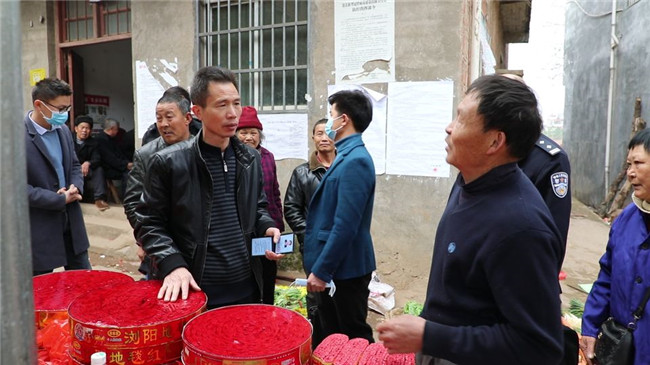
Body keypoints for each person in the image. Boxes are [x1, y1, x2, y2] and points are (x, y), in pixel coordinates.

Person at [377, 75, 563, 365]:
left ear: (495, 141)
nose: (449, 128)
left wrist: (431, 336)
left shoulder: (520, 226)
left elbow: (539, 347)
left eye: (461, 119)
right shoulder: (468, 182)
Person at [135, 66, 282, 309]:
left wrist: (266, 227)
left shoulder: (250, 159)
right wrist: (173, 265)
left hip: (247, 285)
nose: (233, 113)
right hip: (196, 287)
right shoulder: (169, 162)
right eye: (222, 105)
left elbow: (258, 206)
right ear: (198, 111)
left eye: (236, 103)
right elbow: (148, 221)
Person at [303, 90, 377, 347]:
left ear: (344, 120)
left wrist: (322, 271)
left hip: (346, 269)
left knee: (353, 335)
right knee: (332, 334)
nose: (328, 122)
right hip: (337, 267)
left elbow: (345, 225)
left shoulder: (356, 160)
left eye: (331, 115)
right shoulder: (344, 154)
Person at [580, 128, 650, 365]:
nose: (630, 173)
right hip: (625, 350)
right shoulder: (627, 218)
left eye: (638, 163)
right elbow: (607, 275)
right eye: (628, 164)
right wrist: (589, 327)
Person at [25, 78, 91, 276]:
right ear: (39, 105)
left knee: (84, 284)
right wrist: (58, 199)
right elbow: (16, 189)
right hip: (40, 227)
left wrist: (75, 187)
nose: (64, 114)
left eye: (67, 108)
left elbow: (74, 165)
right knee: (42, 292)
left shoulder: (62, 131)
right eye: (60, 109)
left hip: (71, 221)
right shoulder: (15, 138)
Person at [123, 89, 193, 276]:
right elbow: (132, 202)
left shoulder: (201, 150)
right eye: (159, 118)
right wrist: (148, 240)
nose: (164, 124)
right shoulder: (146, 154)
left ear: (187, 118)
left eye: (169, 117)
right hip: (161, 245)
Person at [236, 106, 284, 305]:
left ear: (260, 135)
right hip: (244, 230)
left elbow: (274, 192)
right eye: (243, 132)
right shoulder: (233, 158)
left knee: (268, 271)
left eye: (253, 133)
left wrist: (278, 225)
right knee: (249, 276)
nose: (248, 137)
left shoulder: (268, 157)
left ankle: (269, 309)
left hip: (268, 226)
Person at [284, 118, 336, 263]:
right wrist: (309, 235)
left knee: (346, 285)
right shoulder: (301, 172)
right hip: (314, 245)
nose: (324, 138)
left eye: (329, 133)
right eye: (320, 134)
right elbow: (291, 209)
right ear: (313, 138)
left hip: (344, 242)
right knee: (319, 285)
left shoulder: (346, 168)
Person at [73, 115, 110, 211]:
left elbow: (97, 158)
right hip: (72, 169)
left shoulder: (94, 143)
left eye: (87, 128)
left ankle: (99, 199)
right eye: (82, 128)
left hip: (87, 170)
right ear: (76, 129)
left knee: (99, 170)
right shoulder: (68, 141)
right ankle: (73, 196)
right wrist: (77, 166)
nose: (84, 131)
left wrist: (88, 163)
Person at [96, 118, 133, 196]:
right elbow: (110, 159)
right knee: (128, 174)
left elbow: (119, 154)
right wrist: (126, 165)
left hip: (116, 166)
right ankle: (126, 198)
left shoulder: (112, 139)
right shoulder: (101, 140)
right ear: (112, 129)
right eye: (117, 129)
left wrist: (127, 162)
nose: (117, 131)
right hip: (107, 168)